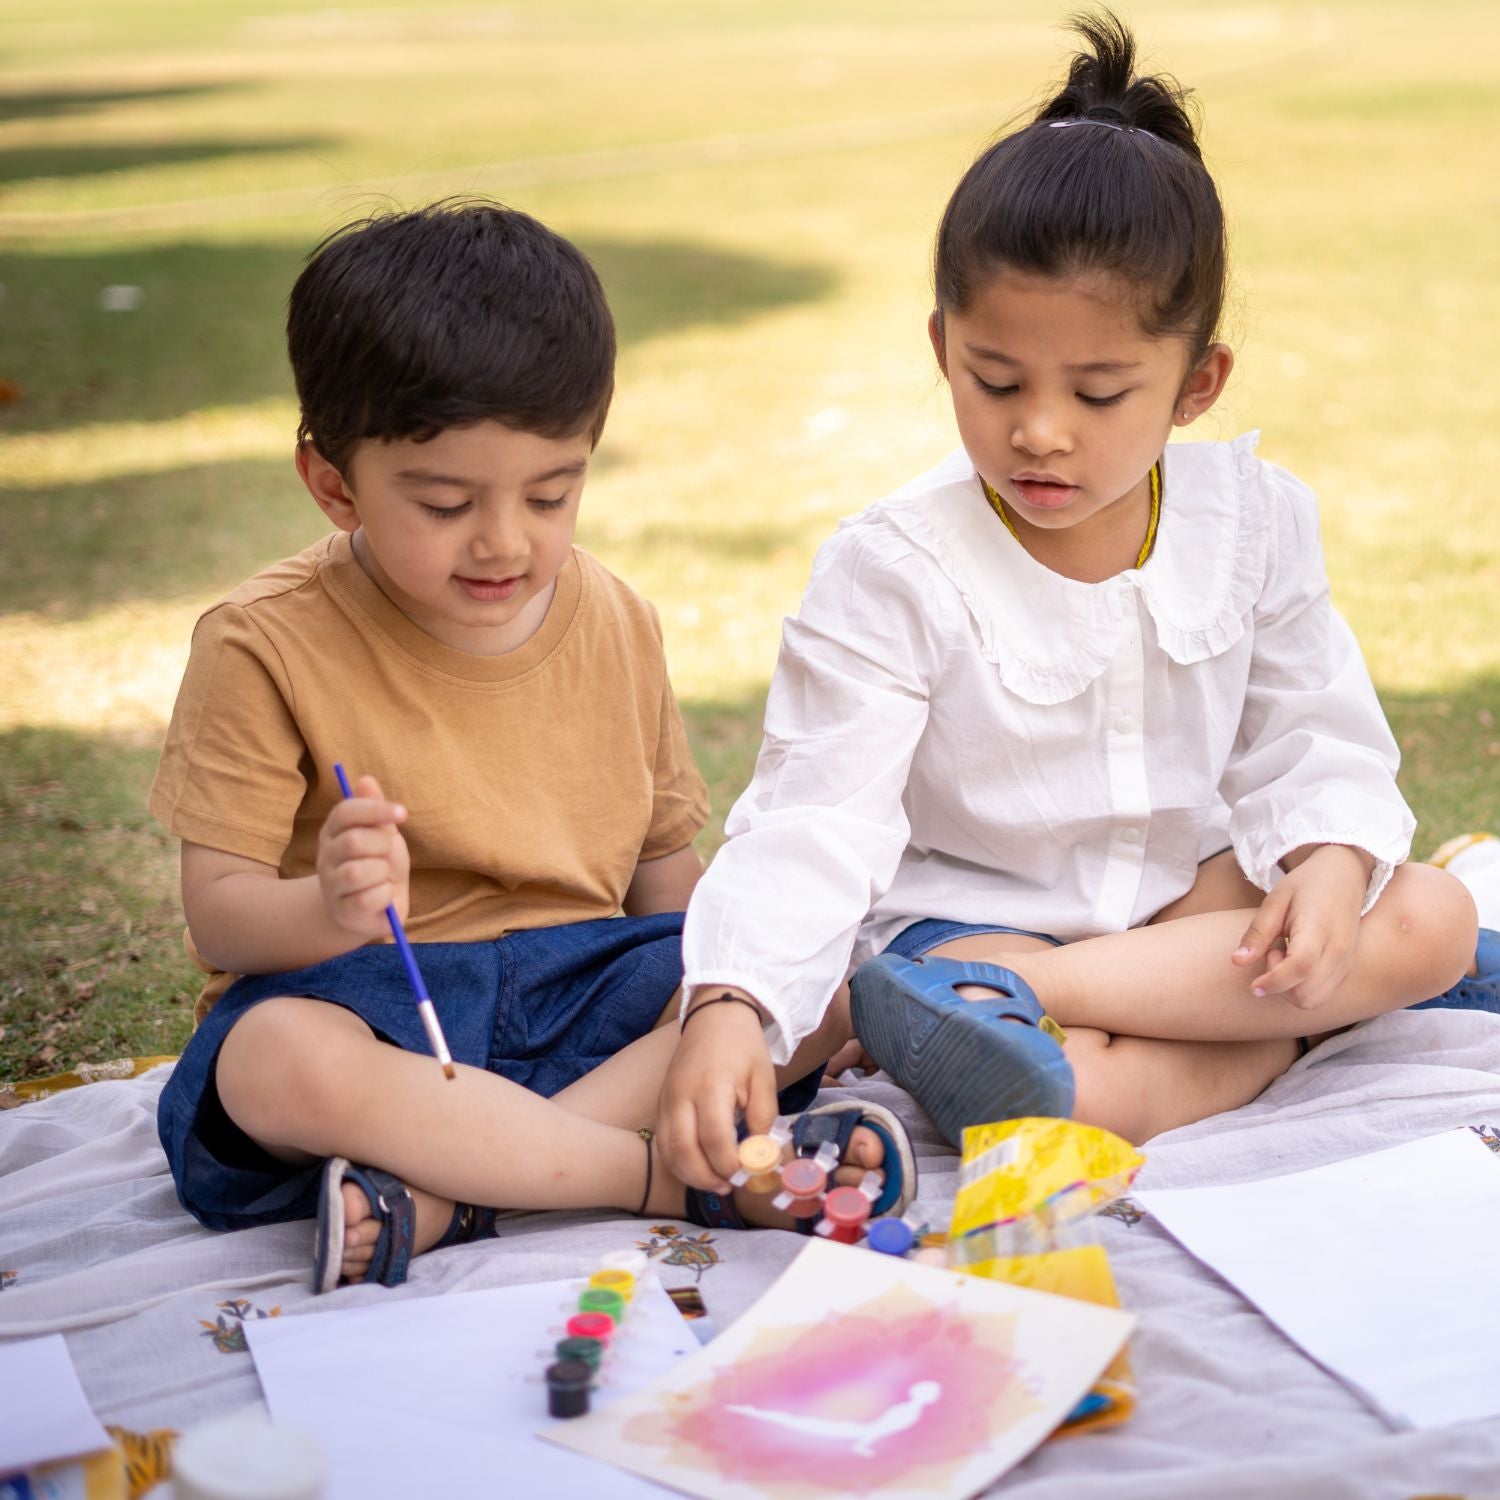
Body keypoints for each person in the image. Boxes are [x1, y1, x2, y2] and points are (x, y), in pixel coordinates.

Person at [658, 12, 1491, 1192]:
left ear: (1197, 383)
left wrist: (1330, 859)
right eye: (994, 381)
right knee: (1100, 1055)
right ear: (944, 346)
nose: (1038, 431)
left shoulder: (1252, 517)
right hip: (969, 928)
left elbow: (1313, 726)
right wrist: (732, 1002)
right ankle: (1068, 1025)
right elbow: (814, 816)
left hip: (1190, 917)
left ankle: (1033, 1013)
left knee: (1432, 918)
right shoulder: (893, 566)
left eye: (1100, 392)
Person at [151, 200, 914, 1290]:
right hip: (377, 1008)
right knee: (274, 1063)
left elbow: (665, 881)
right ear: (332, 483)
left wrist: (724, 1002)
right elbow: (218, 913)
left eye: (551, 494)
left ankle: (450, 1193)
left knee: (809, 975)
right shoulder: (262, 643)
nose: (506, 540)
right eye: (446, 502)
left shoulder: (616, 618)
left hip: (584, 995)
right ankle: (658, 1175)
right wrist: (324, 906)